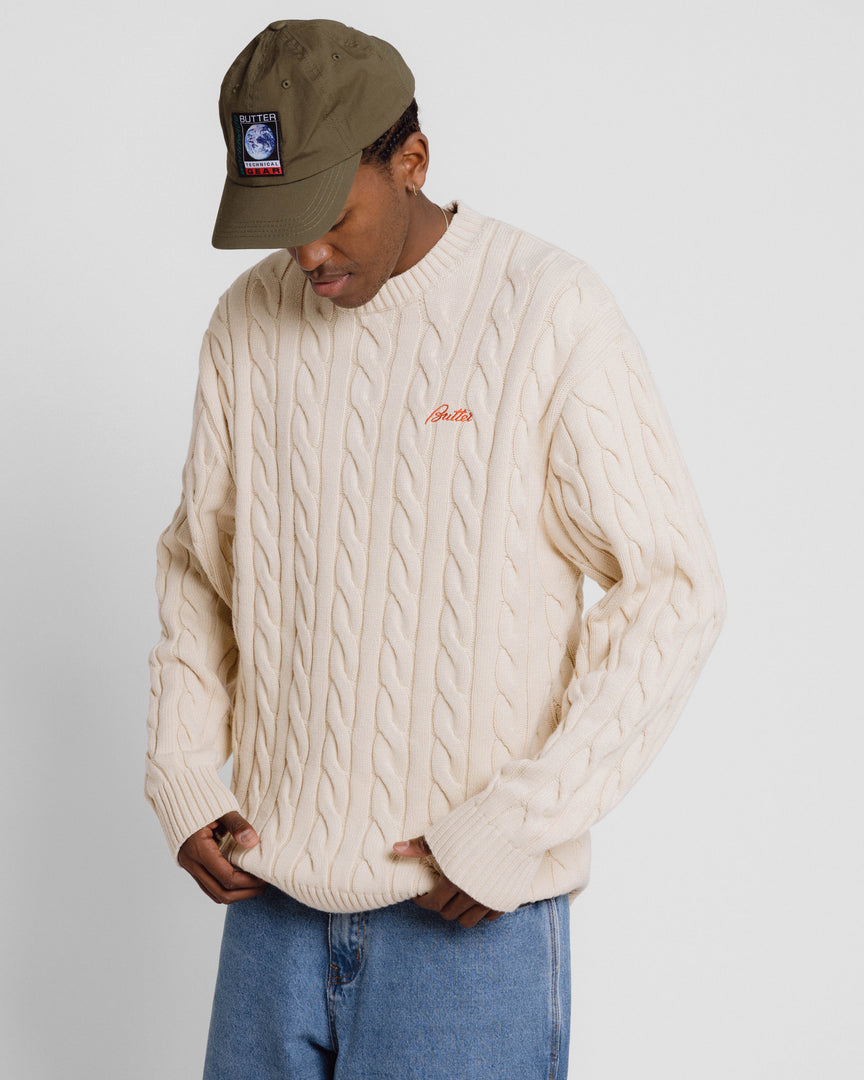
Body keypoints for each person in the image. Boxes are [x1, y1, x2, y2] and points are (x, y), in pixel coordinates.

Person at [145, 18, 726, 1080]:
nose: (307, 254)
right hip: (270, 904)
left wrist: (522, 822)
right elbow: (201, 565)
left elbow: (674, 589)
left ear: (410, 160)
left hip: (467, 924)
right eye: (281, 222)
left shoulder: (546, 309)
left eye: (328, 214)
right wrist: (182, 766)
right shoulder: (245, 323)